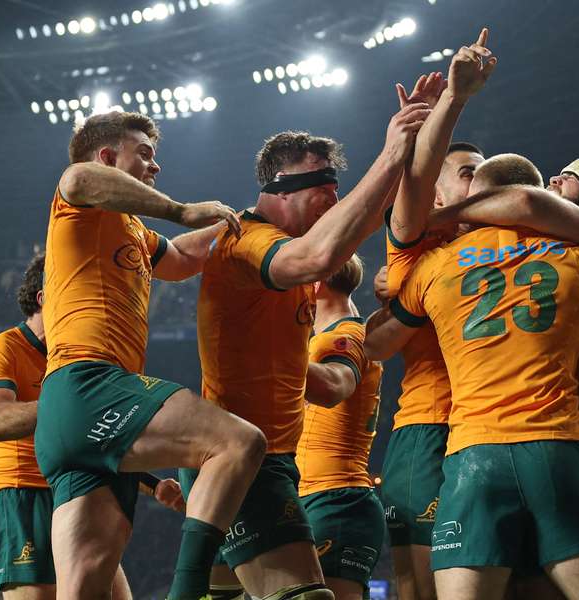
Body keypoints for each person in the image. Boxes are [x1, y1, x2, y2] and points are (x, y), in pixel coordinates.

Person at [364, 153, 579, 600]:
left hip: (472, 460)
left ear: (481, 199)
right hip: (559, 449)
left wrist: (391, 293)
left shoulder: (434, 266)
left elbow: (377, 343)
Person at [175, 98, 430, 600]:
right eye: (323, 191)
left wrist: (412, 149)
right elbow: (318, 257)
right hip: (247, 456)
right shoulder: (251, 241)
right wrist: (390, 152)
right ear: (280, 188)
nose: (333, 205)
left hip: (261, 456)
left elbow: (361, 226)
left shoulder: (305, 281)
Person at [33, 110, 268, 600]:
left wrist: (244, 221)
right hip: (93, 384)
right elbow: (77, 177)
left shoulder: (131, 229)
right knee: (238, 443)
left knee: (86, 583)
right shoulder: (77, 196)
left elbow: (181, 258)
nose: (155, 166)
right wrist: (181, 209)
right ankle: (191, 591)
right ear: (106, 156)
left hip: (69, 413)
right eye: (144, 153)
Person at [0, 254, 182, 599]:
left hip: (77, 491)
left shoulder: (74, 358)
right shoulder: (4, 349)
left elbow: (95, 437)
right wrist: (70, 404)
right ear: (43, 298)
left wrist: (151, 485)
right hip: (22, 495)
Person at [379, 28, 495, 600]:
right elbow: (417, 182)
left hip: (502, 430)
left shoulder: (514, 236)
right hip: (429, 428)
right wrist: (454, 99)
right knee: (423, 591)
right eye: (468, 171)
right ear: (441, 196)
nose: (483, 176)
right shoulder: (415, 244)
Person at [295, 254, 385, 600]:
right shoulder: (326, 339)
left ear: (315, 283)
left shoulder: (341, 339)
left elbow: (334, 388)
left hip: (335, 501)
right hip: (318, 498)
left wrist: (268, 346)